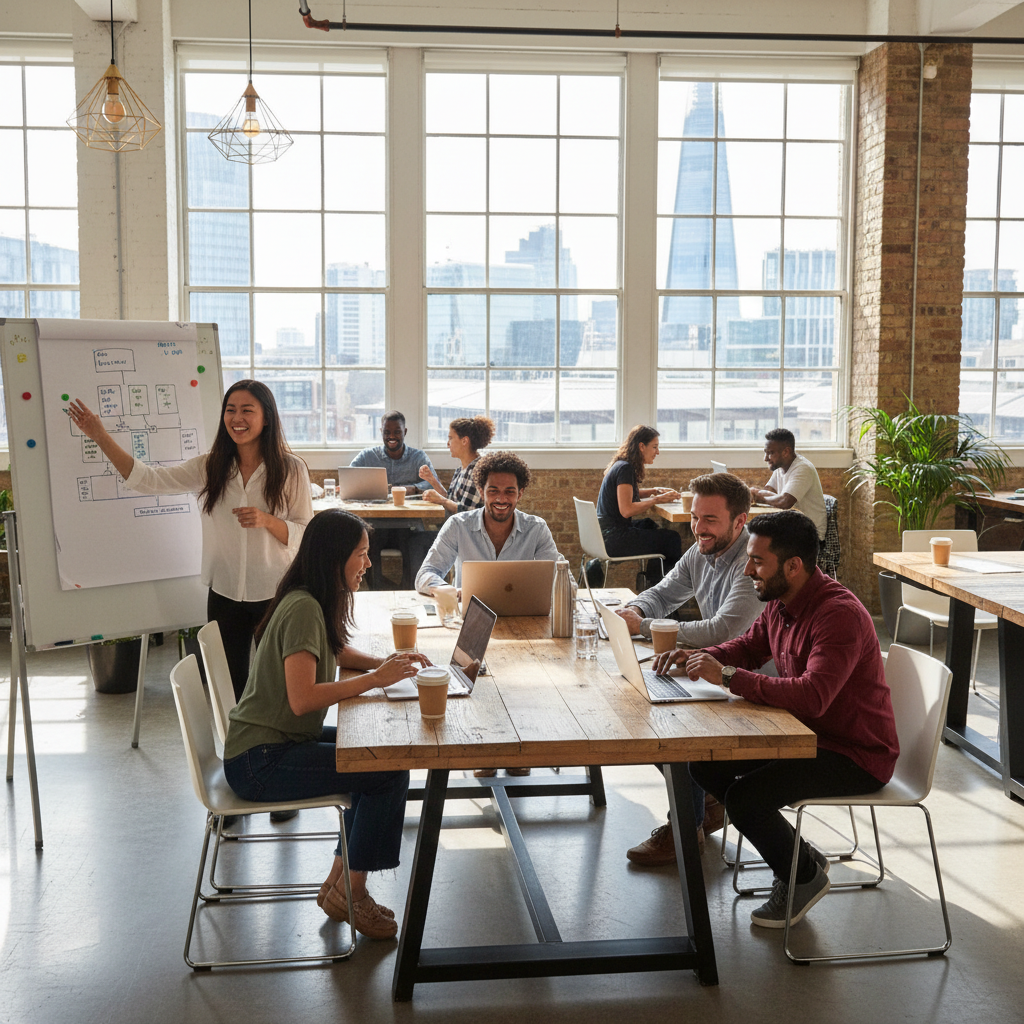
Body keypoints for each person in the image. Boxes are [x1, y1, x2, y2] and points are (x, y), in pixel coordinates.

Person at [655, 510, 899, 929]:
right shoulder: (782, 602)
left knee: (746, 798)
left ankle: (801, 878)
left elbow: (813, 697)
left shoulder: (836, 615)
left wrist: (728, 677)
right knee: (703, 765)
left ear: (793, 566)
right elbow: (749, 647)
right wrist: (703, 658)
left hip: (854, 754)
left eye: (756, 561)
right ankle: (800, 857)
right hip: (803, 737)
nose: (747, 569)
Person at [223, 510, 427, 939]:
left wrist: (387, 664)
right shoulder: (303, 608)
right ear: (336, 557)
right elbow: (303, 700)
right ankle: (352, 893)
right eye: (362, 554)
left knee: (379, 760)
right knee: (385, 770)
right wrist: (376, 681)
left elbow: (335, 652)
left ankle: (341, 886)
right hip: (259, 761)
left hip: (271, 745)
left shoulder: (308, 598)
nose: (368, 564)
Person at [68, 380, 312, 702]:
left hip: (274, 592)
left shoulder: (291, 469)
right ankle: (239, 751)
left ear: (266, 418)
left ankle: (277, 750)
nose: (237, 418)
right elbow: (149, 479)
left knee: (278, 686)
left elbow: (305, 531)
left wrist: (267, 521)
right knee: (228, 688)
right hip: (225, 593)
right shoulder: (211, 466)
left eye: (247, 410)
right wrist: (100, 435)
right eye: (230, 410)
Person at [616, 472, 762, 864]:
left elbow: (724, 629)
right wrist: (637, 609)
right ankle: (707, 800)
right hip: (713, 670)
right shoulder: (702, 549)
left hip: (754, 688)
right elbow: (666, 590)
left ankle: (686, 827)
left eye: (710, 519)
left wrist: (643, 627)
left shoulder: (753, 561)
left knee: (670, 725)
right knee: (637, 704)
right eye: (695, 517)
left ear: (739, 521)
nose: (698, 527)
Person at [416, 450, 560, 780]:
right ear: (481, 491)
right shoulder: (458, 525)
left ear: (520, 493)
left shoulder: (536, 529)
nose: (501, 498)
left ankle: (515, 746)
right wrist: (451, 592)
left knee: (527, 681)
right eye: (493, 490)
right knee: (478, 680)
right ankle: (486, 746)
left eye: (509, 491)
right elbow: (426, 573)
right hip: (472, 625)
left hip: (523, 623)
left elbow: (556, 574)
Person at [351, 411, 437, 589]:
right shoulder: (368, 456)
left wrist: (414, 488)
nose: (391, 436)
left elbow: (434, 485)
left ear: (404, 432)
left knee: (414, 550)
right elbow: (349, 477)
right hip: (374, 525)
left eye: (397, 432)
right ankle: (378, 592)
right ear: (381, 431)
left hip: (408, 525)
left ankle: (408, 592)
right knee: (366, 545)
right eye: (387, 432)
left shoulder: (418, 457)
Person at [592, 425, 682, 588]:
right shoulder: (626, 468)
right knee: (672, 539)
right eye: (654, 447)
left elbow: (627, 493)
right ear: (642, 446)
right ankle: (661, 589)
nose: (657, 452)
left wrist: (655, 491)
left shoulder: (621, 464)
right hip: (614, 539)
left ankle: (651, 583)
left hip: (603, 535)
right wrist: (657, 500)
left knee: (649, 525)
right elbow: (627, 510)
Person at [750, 428, 826, 541]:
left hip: (809, 536)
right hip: (791, 528)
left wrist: (759, 498)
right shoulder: (780, 467)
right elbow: (769, 491)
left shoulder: (803, 468)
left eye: (770, 453)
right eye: (765, 452)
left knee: (758, 540)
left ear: (786, 452)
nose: (765, 458)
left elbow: (785, 501)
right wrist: (752, 493)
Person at [419, 415, 495, 515]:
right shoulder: (461, 469)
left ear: (464, 441)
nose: (448, 443)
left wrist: (441, 500)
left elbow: (468, 513)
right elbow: (450, 500)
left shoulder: (477, 471)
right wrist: (432, 480)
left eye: (451, 438)